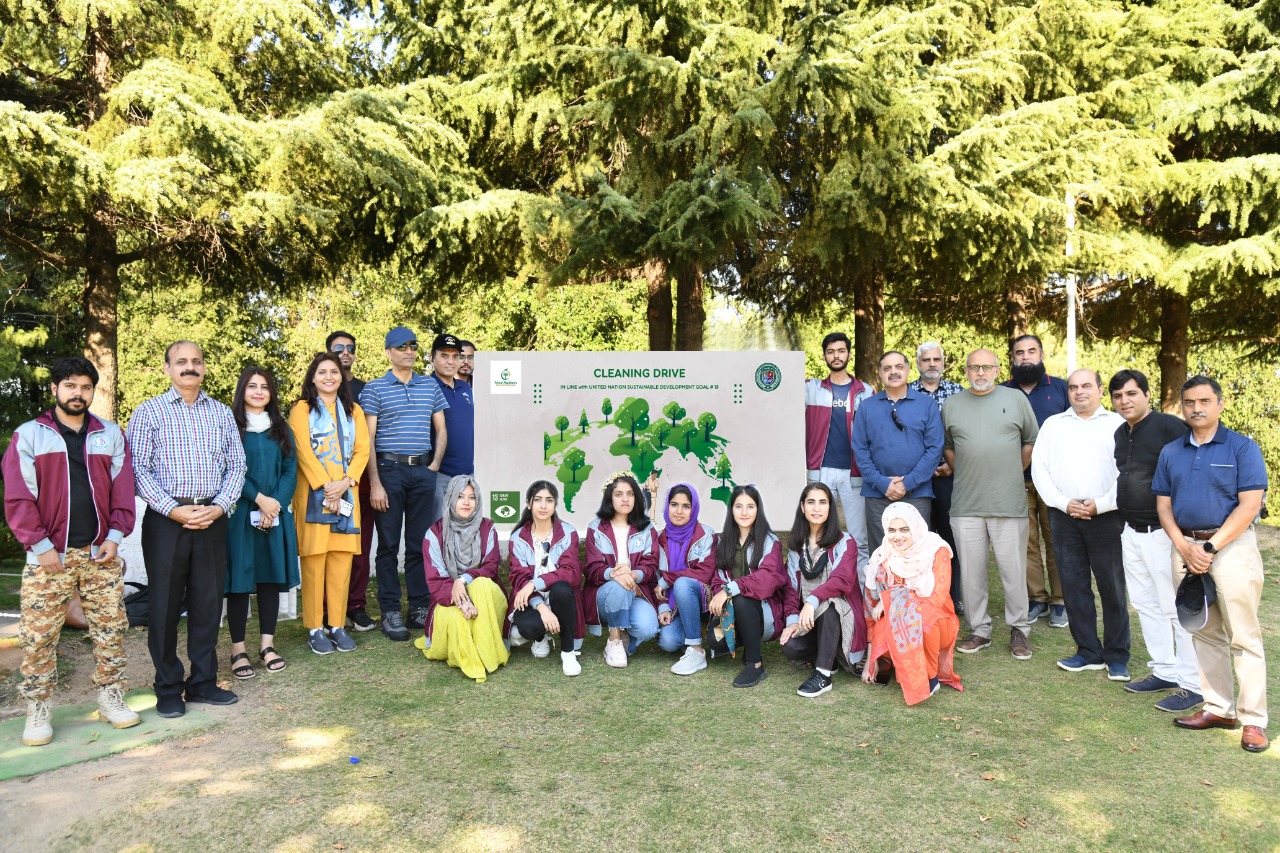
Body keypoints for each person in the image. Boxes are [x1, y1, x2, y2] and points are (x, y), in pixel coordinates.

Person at [4, 357, 140, 745]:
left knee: (111, 629)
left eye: (84, 386)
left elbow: (122, 489)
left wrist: (115, 535)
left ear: (92, 391)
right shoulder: (30, 435)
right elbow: (18, 496)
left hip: (100, 552)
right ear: (54, 389)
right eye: (69, 385)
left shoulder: (110, 434)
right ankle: (38, 708)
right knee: (38, 636)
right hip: (50, 556)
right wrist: (40, 544)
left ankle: (111, 696)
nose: (77, 393)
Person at [126, 341, 246, 718]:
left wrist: (218, 506)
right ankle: (167, 687)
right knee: (163, 605)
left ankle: (203, 683)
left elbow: (236, 466)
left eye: (195, 361)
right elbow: (138, 470)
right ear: (168, 369)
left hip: (212, 518)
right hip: (167, 521)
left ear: (205, 368)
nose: (189, 367)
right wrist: (174, 511)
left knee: (208, 603)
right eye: (181, 362)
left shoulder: (222, 413)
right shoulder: (148, 412)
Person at [1154, 376, 1269, 754]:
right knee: (1203, 630)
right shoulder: (1172, 451)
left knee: (1244, 635)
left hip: (1230, 547)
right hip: (1184, 547)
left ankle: (1254, 721)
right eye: (1189, 402)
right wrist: (1184, 547)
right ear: (1182, 407)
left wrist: (1209, 546)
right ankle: (1219, 708)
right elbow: (1164, 506)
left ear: (1219, 404)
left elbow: (1250, 505)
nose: (1197, 408)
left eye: (1204, 401)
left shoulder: (1242, 447)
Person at [1110, 369, 1201, 712]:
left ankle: (1192, 683)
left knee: (1175, 609)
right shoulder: (1121, 432)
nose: (1125, 401)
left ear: (1146, 395)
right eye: (1118, 396)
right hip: (1131, 532)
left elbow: (1191, 473)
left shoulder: (1169, 428)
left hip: (1165, 535)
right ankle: (1164, 669)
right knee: (1146, 605)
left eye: (1131, 394)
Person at [1031, 369, 1131, 681]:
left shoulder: (1118, 425)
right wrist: (1063, 503)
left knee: (1112, 587)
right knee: (1074, 587)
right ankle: (1088, 651)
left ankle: (1117, 655)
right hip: (1064, 515)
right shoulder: (1054, 425)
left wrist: (1101, 504)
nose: (1079, 392)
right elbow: (1040, 469)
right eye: (1073, 387)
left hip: (1106, 516)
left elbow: (1127, 473)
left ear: (1100, 390)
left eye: (1086, 386)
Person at [943, 348, 1038, 661]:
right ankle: (979, 629)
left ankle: (1019, 629)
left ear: (998, 370)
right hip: (966, 503)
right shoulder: (952, 404)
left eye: (986, 367)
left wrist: (1011, 471)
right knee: (971, 573)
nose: (980, 373)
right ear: (966, 371)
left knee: (1013, 571)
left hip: (1008, 502)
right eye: (974, 367)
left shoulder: (1015, 400)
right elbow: (949, 449)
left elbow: (1029, 443)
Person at [359, 325, 448, 640]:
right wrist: (375, 483)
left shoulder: (429, 387)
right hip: (389, 471)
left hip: (423, 471)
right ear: (388, 352)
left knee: (418, 544)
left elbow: (440, 429)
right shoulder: (373, 389)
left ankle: (419, 608)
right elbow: (367, 439)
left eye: (412, 346)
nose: (408, 351)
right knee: (387, 546)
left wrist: (434, 465)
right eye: (401, 347)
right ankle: (391, 611)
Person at [288, 352, 369, 655]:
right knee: (314, 563)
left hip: (346, 494)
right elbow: (303, 450)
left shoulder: (354, 410)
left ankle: (336, 624)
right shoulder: (302, 409)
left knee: (340, 563)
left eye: (333, 372)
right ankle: (313, 627)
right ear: (312, 377)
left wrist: (345, 483)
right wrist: (326, 487)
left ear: (341, 376)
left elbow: (362, 450)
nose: (328, 377)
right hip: (313, 496)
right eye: (322, 372)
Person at [225, 367, 299, 678]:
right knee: (239, 582)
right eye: (252, 386)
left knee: (269, 578)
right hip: (241, 514)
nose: (259, 391)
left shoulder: (282, 428)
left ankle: (267, 644)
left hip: (275, 515)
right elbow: (229, 468)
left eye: (265, 387)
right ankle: (238, 648)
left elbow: (290, 470)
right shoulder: (230, 426)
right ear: (243, 390)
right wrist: (259, 499)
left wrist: (274, 504)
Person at [862, 502, 963, 705]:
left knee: (923, 620)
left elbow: (937, 598)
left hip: (937, 622)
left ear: (915, 528)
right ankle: (891, 663)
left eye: (904, 529)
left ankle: (929, 677)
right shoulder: (882, 557)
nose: (897, 537)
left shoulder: (936, 549)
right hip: (897, 620)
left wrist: (891, 599)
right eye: (892, 530)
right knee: (887, 628)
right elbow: (869, 610)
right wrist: (870, 660)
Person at [415, 475, 510, 682]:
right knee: (458, 619)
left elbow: (491, 567)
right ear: (450, 498)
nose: (467, 502)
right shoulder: (435, 534)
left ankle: (488, 657)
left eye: (472, 497)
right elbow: (436, 579)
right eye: (460, 496)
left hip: (486, 596)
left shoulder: (487, 529)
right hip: (447, 597)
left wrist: (463, 579)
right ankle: (477, 662)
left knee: (482, 585)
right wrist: (462, 601)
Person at [1004, 334, 1070, 628]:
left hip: (1054, 481)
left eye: (1032, 351)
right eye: (1020, 353)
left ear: (1041, 355)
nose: (1026, 357)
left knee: (1057, 541)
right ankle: (1036, 598)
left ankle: (1060, 601)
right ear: (1012, 358)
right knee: (1025, 542)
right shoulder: (1002, 392)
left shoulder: (1061, 389)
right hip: (1015, 479)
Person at [852, 350, 944, 555]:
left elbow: (934, 449)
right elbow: (860, 450)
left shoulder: (927, 404)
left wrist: (907, 483)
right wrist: (883, 483)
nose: (893, 372)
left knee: (917, 554)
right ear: (879, 373)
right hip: (878, 494)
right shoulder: (866, 407)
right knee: (881, 556)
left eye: (898, 367)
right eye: (887, 368)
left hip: (917, 493)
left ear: (908, 370)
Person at [779, 483, 866, 698]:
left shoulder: (845, 541)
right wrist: (791, 621)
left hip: (841, 616)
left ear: (830, 508)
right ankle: (829, 656)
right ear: (802, 507)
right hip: (811, 620)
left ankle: (823, 674)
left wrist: (812, 600)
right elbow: (790, 588)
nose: (816, 508)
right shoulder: (796, 547)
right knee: (790, 647)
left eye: (823, 502)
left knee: (830, 605)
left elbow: (841, 581)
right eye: (811, 502)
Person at [697, 485, 787, 688]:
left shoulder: (770, 542)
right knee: (715, 640)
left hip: (764, 612)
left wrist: (730, 589)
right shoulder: (722, 542)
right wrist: (721, 591)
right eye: (738, 506)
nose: (744, 512)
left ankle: (755, 664)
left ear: (758, 509)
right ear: (731, 510)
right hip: (733, 611)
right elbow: (717, 578)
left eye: (750, 506)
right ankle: (747, 641)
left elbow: (767, 579)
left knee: (744, 599)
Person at [804, 331, 874, 577]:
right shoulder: (811, 389)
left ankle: (861, 592)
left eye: (841, 351)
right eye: (831, 351)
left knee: (858, 538)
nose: (836, 356)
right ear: (824, 355)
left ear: (849, 354)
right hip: (820, 471)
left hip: (854, 472)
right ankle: (820, 586)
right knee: (817, 533)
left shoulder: (865, 391)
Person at [326, 330, 377, 634]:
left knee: (359, 545)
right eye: (339, 349)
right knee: (328, 547)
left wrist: (358, 477)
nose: (345, 353)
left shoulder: (365, 391)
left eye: (350, 349)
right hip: (325, 485)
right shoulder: (313, 392)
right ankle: (327, 609)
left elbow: (368, 440)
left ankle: (355, 606)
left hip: (357, 482)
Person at [506, 480, 585, 676]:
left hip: (561, 596)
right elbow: (519, 579)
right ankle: (540, 637)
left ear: (556, 504)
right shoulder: (518, 538)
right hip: (533, 600)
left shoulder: (568, 532)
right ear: (528, 503)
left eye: (549, 500)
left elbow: (570, 572)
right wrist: (542, 608)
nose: (543, 506)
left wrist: (535, 582)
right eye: (538, 500)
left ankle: (568, 653)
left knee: (560, 587)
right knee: (524, 630)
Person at [910, 341, 966, 614]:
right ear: (918, 363)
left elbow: (967, 434)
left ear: (943, 362)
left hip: (949, 475)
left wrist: (953, 466)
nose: (931, 364)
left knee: (948, 538)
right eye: (926, 360)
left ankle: (952, 596)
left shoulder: (959, 393)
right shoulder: (907, 392)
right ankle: (919, 594)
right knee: (918, 536)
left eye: (936, 359)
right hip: (916, 477)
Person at [584, 473, 660, 667]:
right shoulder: (596, 528)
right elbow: (592, 569)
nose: (625, 499)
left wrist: (632, 574)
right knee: (619, 587)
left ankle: (627, 637)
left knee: (648, 628)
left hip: (636, 591)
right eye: (618, 494)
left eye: (630, 494)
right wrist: (614, 574)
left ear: (637, 497)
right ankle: (614, 640)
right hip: (604, 593)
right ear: (610, 497)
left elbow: (651, 566)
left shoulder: (647, 528)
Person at [655, 484, 717, 675]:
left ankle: (696, 649)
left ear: (694, 508)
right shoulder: (659, 538)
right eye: (674, 505)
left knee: (682, 583)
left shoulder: (706, 535)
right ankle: (692, 632)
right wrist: (663, 607)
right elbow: (653, 579)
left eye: (686, 506)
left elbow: (704, 572)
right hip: (674, 606)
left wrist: (668, 580)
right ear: (667, 507)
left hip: (702, 599)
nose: (679, 511)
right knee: (668, 642)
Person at [427, 333, 475, 526]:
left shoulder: (465, 388)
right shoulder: (426, 387)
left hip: (467, 474)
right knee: (438, 531)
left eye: (455, 356)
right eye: (444, 355)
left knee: (464, 531)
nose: (451, 361)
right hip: (440, 474)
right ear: (432, 358)